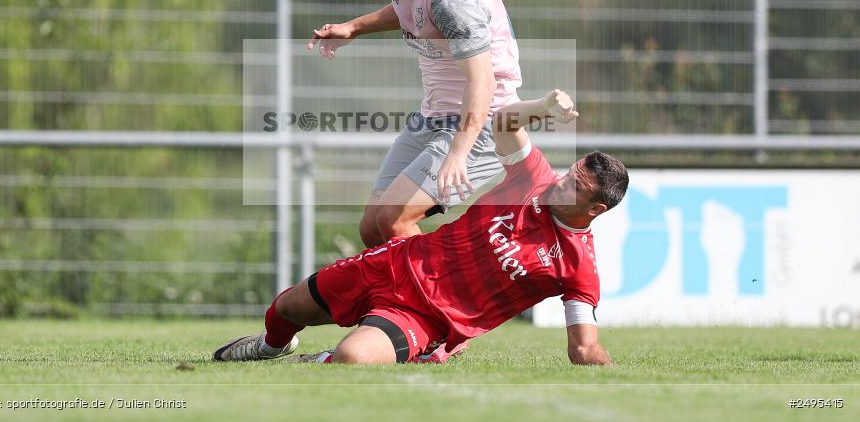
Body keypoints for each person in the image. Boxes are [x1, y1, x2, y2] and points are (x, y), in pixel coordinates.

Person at [214, 90, 629, 366]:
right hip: (393, 262)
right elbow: (503, 123)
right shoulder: (533, 179)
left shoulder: (578, 268)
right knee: (286, 308)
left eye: (574, 185)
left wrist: (622, 382)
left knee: (351, 361)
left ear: (595, 209)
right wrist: (543, 106)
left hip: (425, 317)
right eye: (568, 172)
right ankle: (272, 346)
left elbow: (584, 347)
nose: (560, 181)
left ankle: (324, 359)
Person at [306, 0, 522, 250]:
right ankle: (391, 306)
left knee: (395, 221)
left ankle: (441, 303)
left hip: (481, 123)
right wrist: (353, 28)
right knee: (372, 228)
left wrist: (458, 151)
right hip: (434, 116)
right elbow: (412, 14)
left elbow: (482, 83)